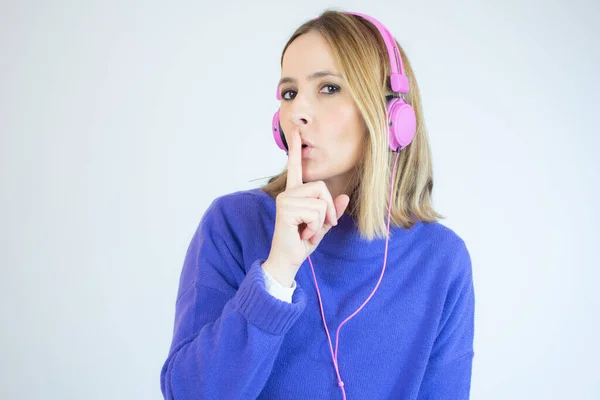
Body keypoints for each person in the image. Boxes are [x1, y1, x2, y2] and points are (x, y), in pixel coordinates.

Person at [160, 9, 475, 400]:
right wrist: (276, 275)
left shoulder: (441, 260)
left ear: (393, 116)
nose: (297, 113)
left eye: (328, 88)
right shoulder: (232, 225)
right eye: (289, 94)